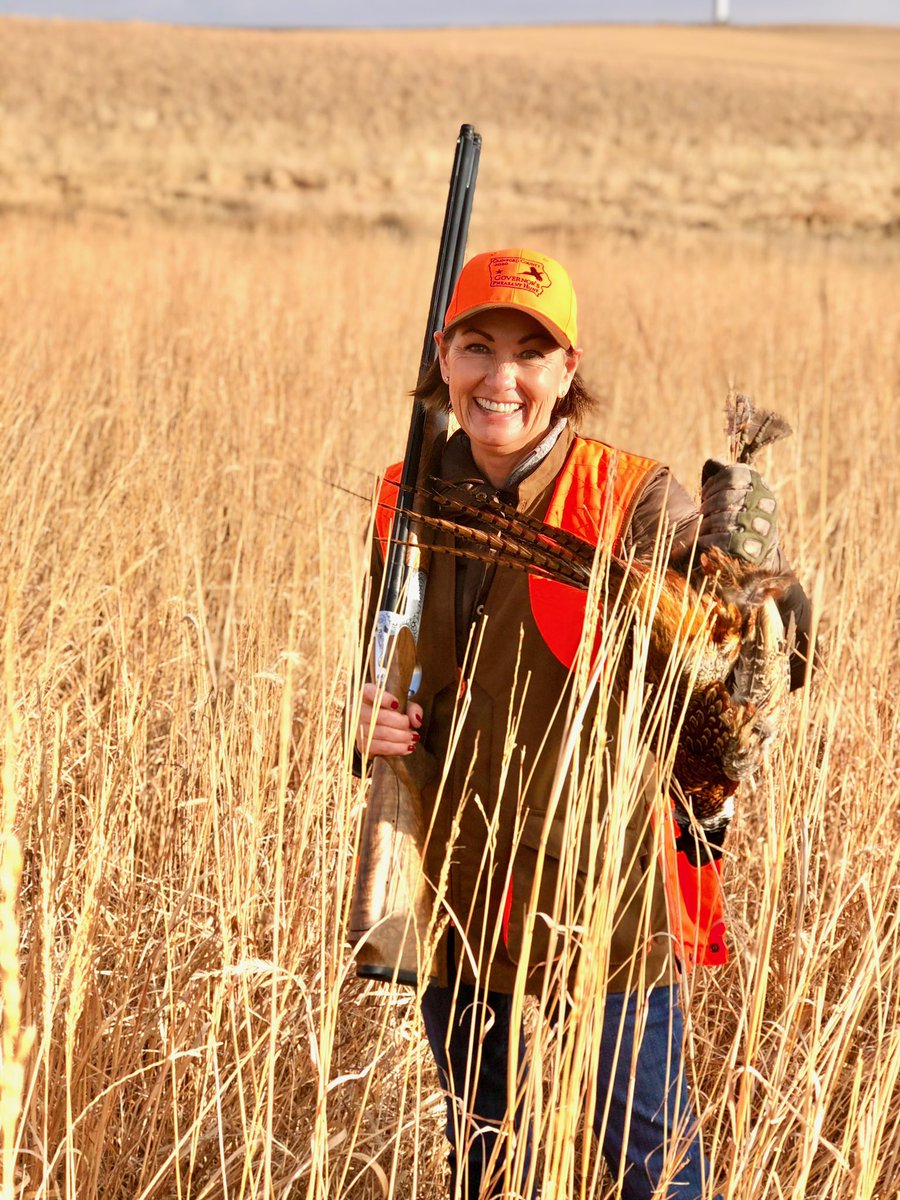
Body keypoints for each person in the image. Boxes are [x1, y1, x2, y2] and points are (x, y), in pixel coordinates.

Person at [355, 248, 811, 1199]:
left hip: (603, 897)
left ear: (570, 372)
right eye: (479, 347)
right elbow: (385, 661)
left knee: (659, 1170)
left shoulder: (632, 497)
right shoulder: (405, 497)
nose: (502, 378)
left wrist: (760, 584)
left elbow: (772, 647)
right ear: (444, 356)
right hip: (459, 894)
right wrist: (368, 728)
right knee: (488, 1162)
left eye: (533, 352)